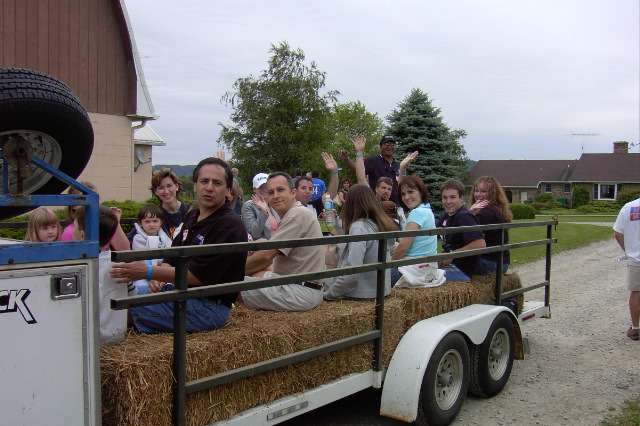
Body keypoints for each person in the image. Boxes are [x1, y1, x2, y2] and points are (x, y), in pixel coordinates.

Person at [110, 157, 248, 333]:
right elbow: (173, 253)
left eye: (217, 183)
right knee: (119, 299)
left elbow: (198, 276)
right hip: (182, 291)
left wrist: (150, 271)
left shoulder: (229, 225)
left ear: (228, 190)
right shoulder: (193, 216)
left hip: (208, 306)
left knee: (122, 311)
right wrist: (159, 276)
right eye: (204, 181)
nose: (209, 187)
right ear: (195, 186)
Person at [241, 172, 326, 312]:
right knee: (255, 275)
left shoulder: (296, 215)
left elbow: (266, 256)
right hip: (303, 286)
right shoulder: (294, 213)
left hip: (299, 292)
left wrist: (231, 271)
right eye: (271, 192)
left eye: (280, 190)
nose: (275, 196)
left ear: (293, 193)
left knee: (229, 286)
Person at [72, 205, 137, 345]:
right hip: (117, 335)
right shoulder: (119, 263)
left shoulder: (80, 266)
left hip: (89, 338)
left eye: (75, 227)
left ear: (83, 235)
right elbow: (133, 294)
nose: (72, 231)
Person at [323, 185, 397, 300]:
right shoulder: (379, 224)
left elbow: (351, 273)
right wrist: (336, 220)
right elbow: (352, 237)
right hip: (381, 291)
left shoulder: (359, 227)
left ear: (351, 204)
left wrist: (328, 295)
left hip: (362, 294)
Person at [391, 175, 441, 287]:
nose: (406, 197)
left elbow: (403, 247)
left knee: (369, 276)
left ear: (421, 192)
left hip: (413, 269)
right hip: (427, 268)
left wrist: (388, 265)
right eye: (403, 194)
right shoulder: (427, 209)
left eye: (410, 192)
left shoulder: (417, 213)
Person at [437, 180, 486, 281]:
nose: (448, 202)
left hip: (460, 270)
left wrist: (452, 255)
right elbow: (433, 232)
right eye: (444, 197)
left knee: (422, 278)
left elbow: (480, 244)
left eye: (452, 197)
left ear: (461, 197)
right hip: (449, 264)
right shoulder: (447, 215)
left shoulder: (463, 216)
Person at [60, 181, 130, 251]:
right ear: (74, 206)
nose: (92, 206)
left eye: (95, 201)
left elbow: (124, 249)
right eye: (86, 202)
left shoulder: (101, 224)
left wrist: (115, 222)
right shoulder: (69, 232)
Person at [469, 176, 513, 275]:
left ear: (492, 194)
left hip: (490, 263)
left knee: (447, 265)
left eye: (483, 191)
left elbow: (464, 234)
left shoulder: (486, 213)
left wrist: (469, 213)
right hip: (501, 262)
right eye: (476, 191)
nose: (478, 194)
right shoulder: (496, 209)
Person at [613, 197, 640, 340]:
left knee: (636, 292)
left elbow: (618, 233)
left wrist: (628, 251)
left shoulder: (629, 207)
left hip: (637, 259)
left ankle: (635, 328)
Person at [150, 168, 189, 238]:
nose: (166, 191)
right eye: (161, 188)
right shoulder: (154, 214)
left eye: (169, 186)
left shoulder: (191, 212)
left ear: (177, 186)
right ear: (155, 191)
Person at [242, 172, 279, 240]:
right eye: (260, 187)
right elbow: (254, 234)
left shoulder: (273, 204)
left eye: (266, 186)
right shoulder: (249, 205)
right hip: (261, 248)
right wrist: (263, 212)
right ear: (254, 189)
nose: (264, 189)